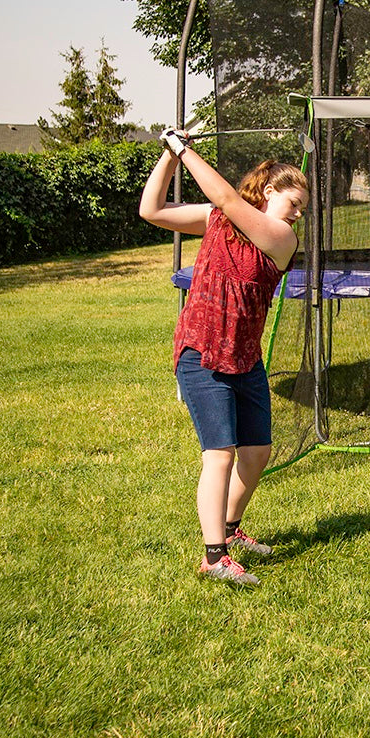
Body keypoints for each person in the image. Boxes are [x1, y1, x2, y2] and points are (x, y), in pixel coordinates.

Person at [139, 129, 309, 585]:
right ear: (269, 191)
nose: (298, 215)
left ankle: (231, 532)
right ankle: (214, 558)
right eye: (293, 203)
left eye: (301, 210)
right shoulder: (219, 219)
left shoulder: (280, 238)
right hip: (202, 351)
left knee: (256, 452)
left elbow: (230, 201)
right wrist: (169, 157)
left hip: (245, 356)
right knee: (220, 453)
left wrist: (184, 149)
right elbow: (151, 210)